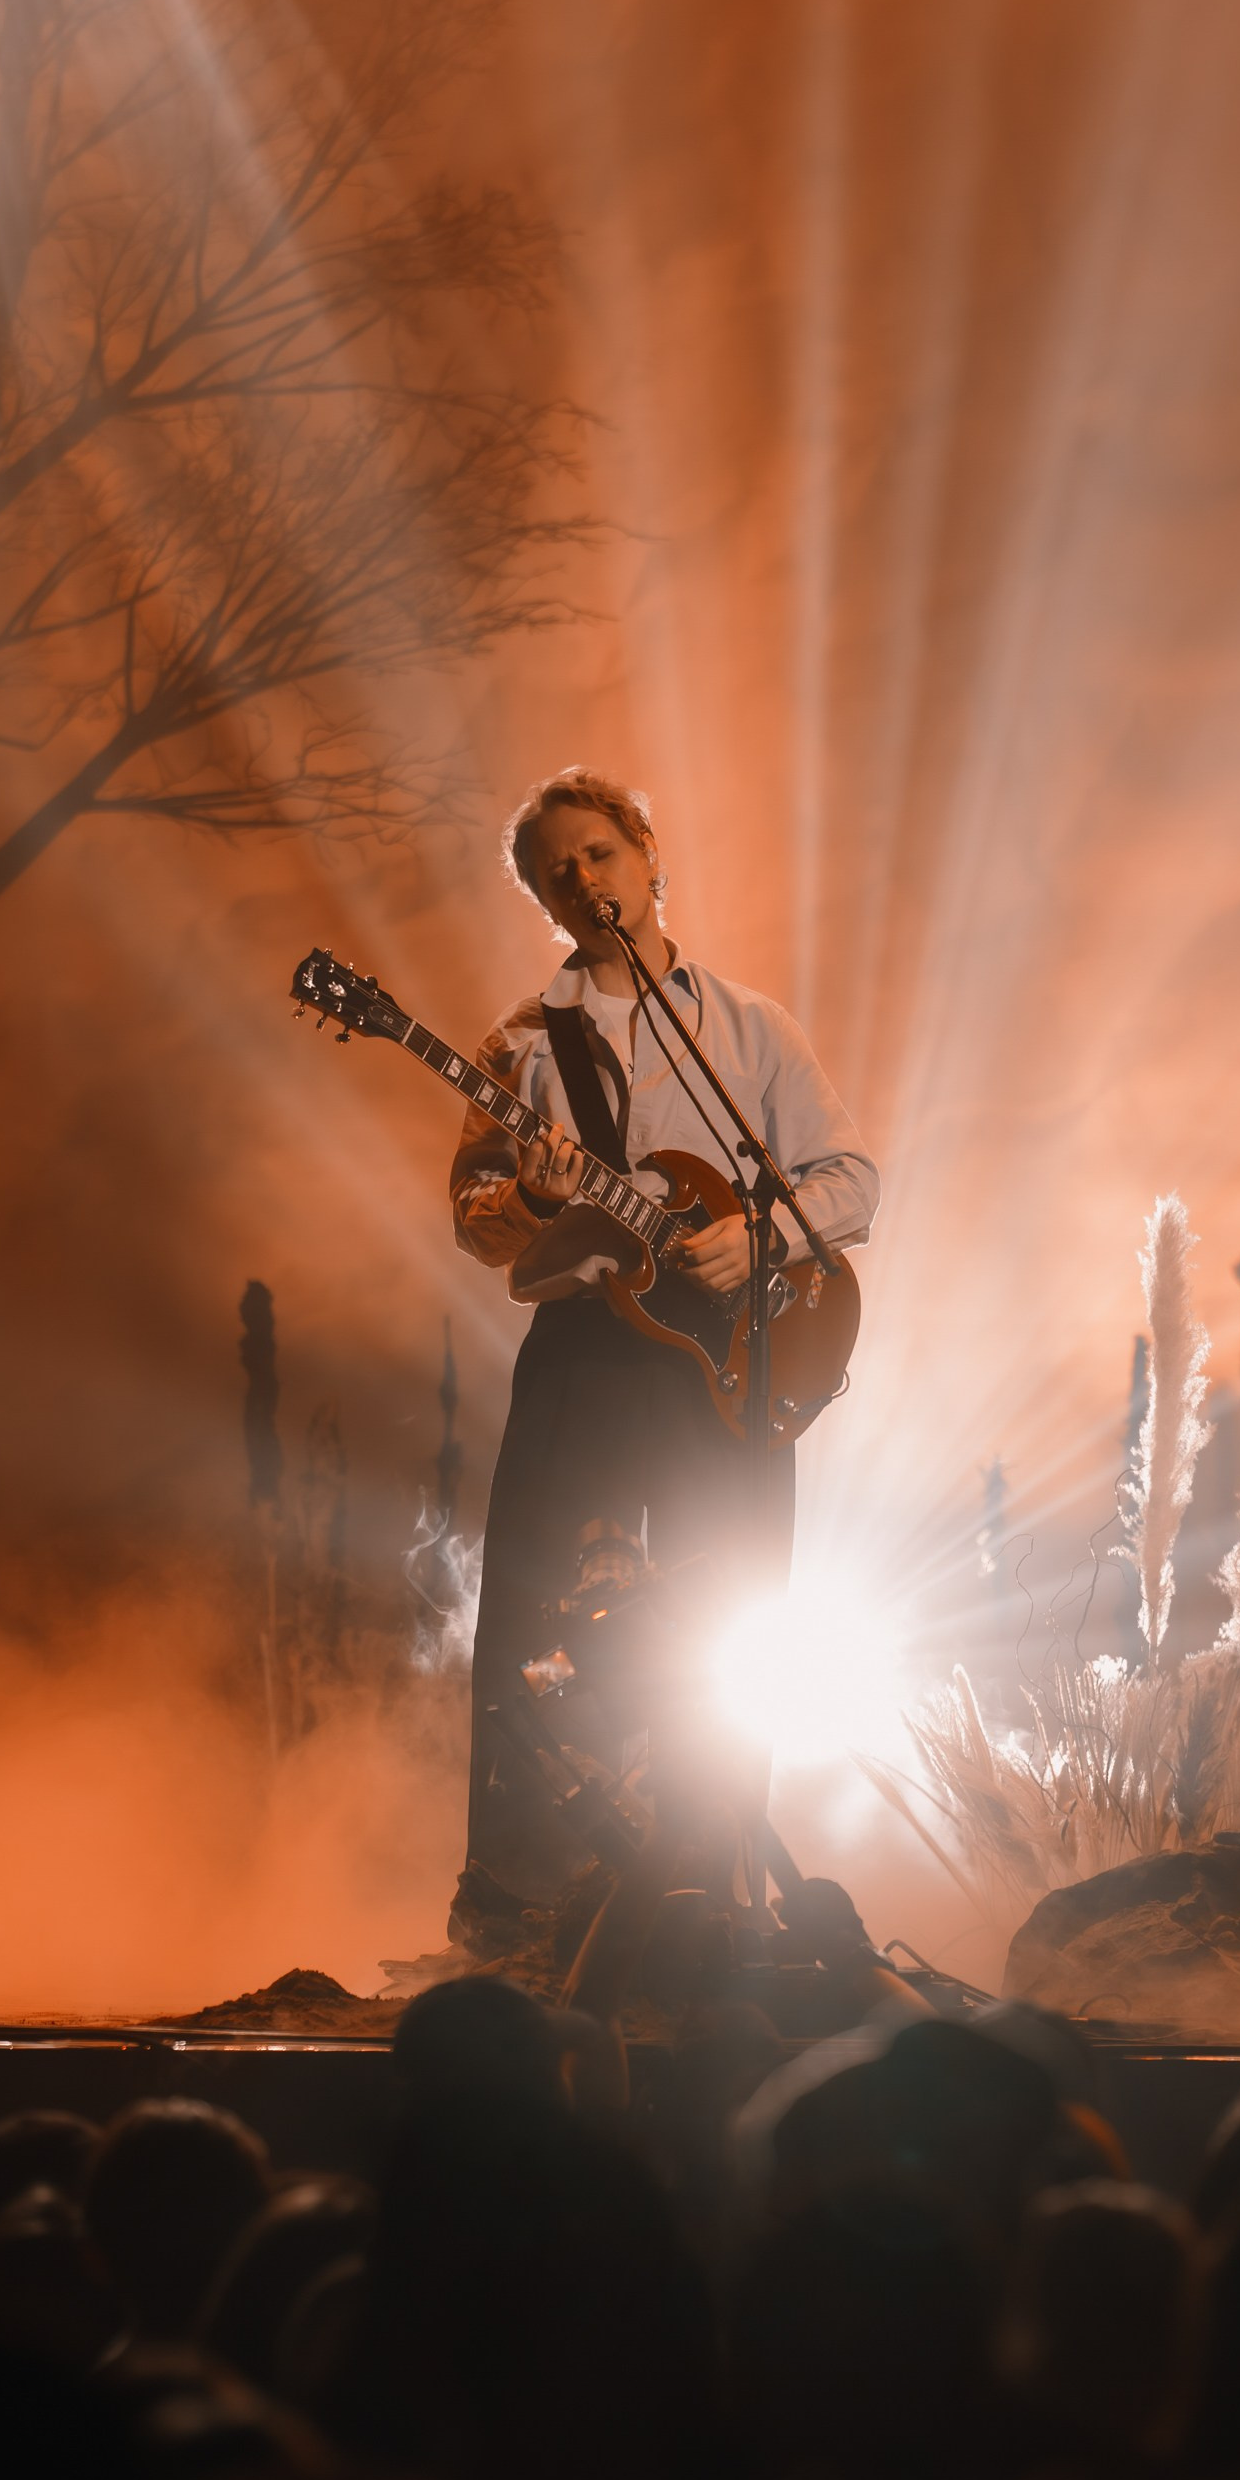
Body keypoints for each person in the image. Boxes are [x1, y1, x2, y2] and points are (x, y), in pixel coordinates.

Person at [450, 768, 879, 1907]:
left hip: (731, 1360)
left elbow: (851, 1182)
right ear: (541, 900)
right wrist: (535, 1204)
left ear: (646, 856)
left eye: (597, 852)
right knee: (537, 1610)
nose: (580, 878)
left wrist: (761, 1236)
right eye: (557, 871)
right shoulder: (516, 1048)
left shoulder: (748, 1027)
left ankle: (713, 1879)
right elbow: (475, 1224)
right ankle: (522, 1894)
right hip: (584, 1354)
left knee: (728, 1610)